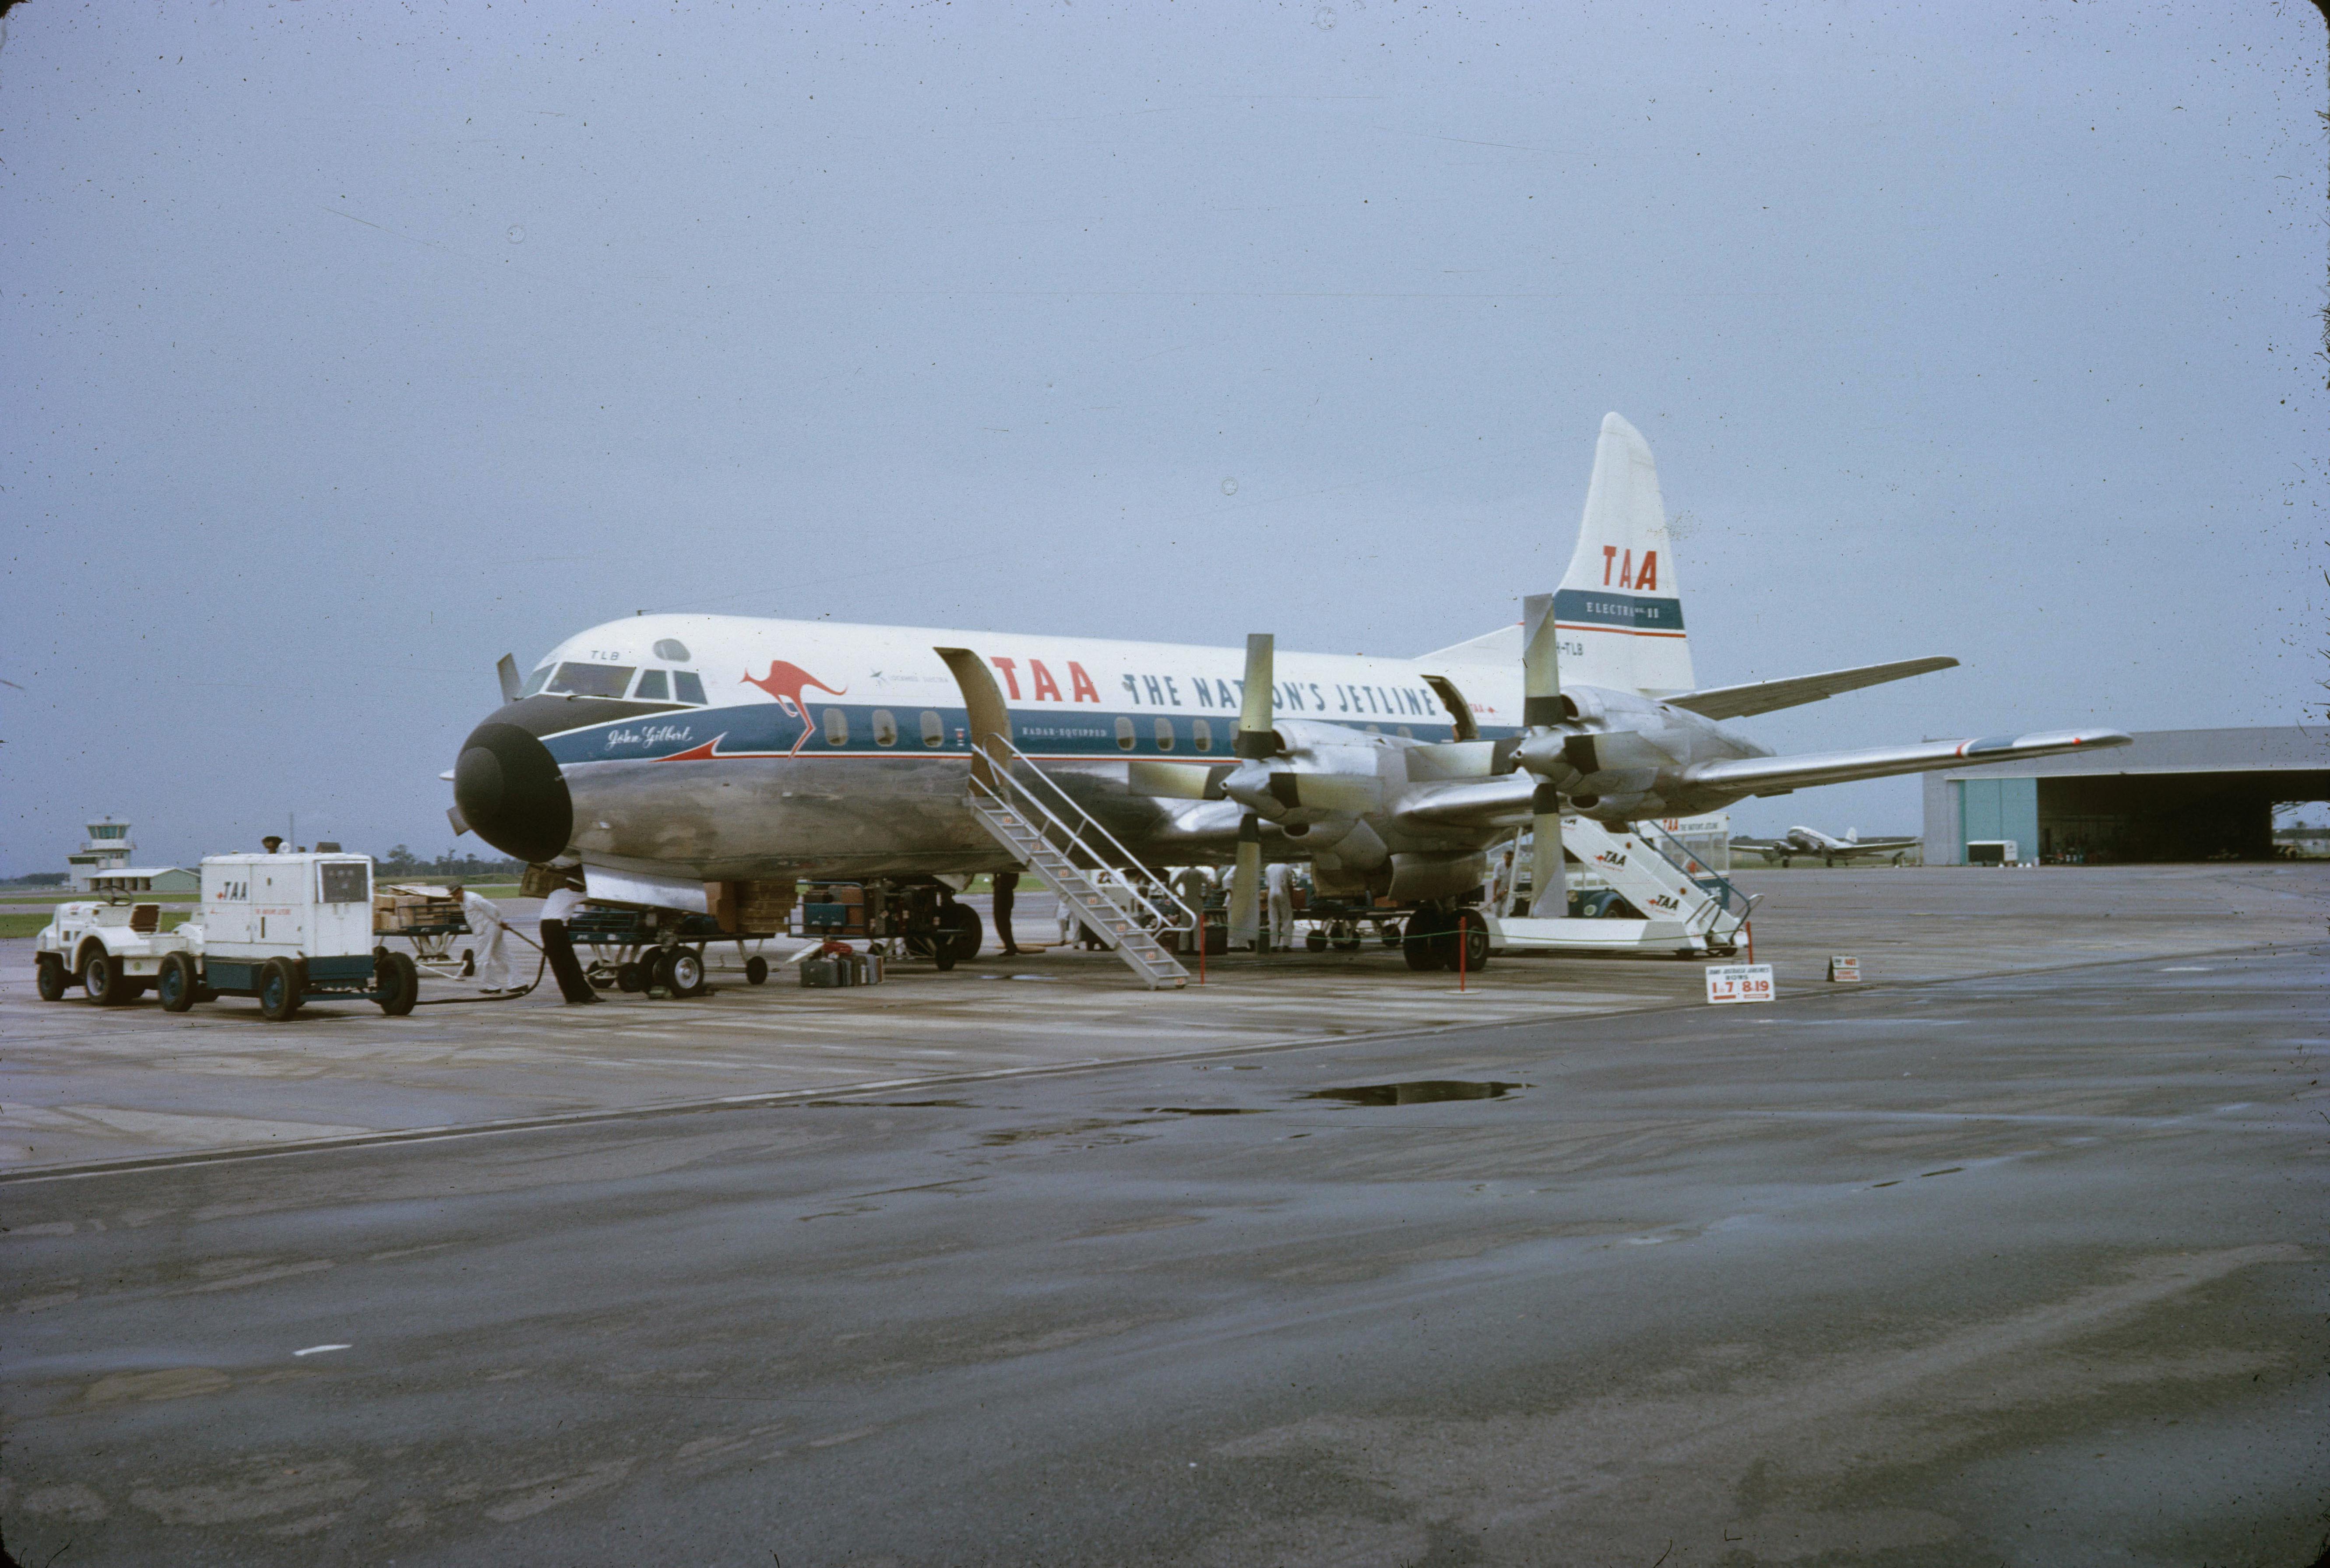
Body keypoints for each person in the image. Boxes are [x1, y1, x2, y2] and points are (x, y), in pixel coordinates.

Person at [537, 878, 600, 1004]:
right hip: (557, 928)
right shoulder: (572, 895)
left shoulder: (555, 893)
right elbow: (591, 896)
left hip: (545, 927)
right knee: (571, 963)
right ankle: (586, 995)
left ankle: (571, 997)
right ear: (575, 887)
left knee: (558, 966)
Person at [450, 881, 514, 993]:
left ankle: (492, 987)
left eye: (456, 893)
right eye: (453, 895)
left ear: (461, 891)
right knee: (503, 957)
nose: (455, 897)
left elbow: (493, 908)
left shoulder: (473, 899)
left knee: (481, 960)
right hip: (488, 929)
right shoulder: (464, 902)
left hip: (488, 930)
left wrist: (500, 921)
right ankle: (518, 984)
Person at [1266, 861, 1297, 950]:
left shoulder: (1268, 867)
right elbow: (1290, 885)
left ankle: (1273, 945)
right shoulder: (1287, 867)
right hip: (1283, 893)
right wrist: (1292, 901)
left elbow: (1268, 886)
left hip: (1271, 894)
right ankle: (1286, 945)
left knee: (1273, 920)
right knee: (1287, 919)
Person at [992, 870, 1023, 956]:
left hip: (1003, 894)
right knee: (1002, 921)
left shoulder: (1009, 877)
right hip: (1002, 892)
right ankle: (1010, 946)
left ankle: (1010, 947)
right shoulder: (1009, 876)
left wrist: (998, 882)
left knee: (1003, 922)